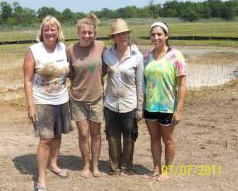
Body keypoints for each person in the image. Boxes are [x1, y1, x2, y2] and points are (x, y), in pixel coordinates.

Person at [23, 15, 72, 191]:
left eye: (53, 29)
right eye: (47, 29)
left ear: (58, 31)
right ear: (41, 32)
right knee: (45, 139)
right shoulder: (33, 51)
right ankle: (41, 178)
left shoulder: (62, 48)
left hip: (61, 99)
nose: (50, 32)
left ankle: (53, 164)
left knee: (57, 135)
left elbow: (67, 73)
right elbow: (27, 80)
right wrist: (30, 105)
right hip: (42, 101)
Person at [142, 22, 186, 181]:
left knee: (167, 139)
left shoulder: (176, 56)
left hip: (167, 107)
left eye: (159, 34)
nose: (156, 37)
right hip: (150, 107)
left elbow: (181, 84)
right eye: (153, 34)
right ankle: (155, 168)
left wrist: (179, 109)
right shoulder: (146, 57)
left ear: (166, 36)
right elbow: (144, 84)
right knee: (154, 138)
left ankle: (166, 170)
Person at [103, 19, 144, 175]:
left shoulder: (137, 56)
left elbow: (140, 84)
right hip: (111, 103)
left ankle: (126, 167)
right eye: (118, 34)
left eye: (124, 33)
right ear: (113, 37)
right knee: (112, 136)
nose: (122, 37)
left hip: (129, 104)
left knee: (129, 136)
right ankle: (114, 167)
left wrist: (140, 108)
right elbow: (99, 74)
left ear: (128, 34)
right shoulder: (107, 54)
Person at [67, 14, 106, 178]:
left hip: (96, 97)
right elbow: (69, 73)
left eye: (90, 32)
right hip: (77, 99)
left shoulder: (101, 46)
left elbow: (105, 68)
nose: (87, 36)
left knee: (96, 134)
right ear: (78, 33)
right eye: (84, 33)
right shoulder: (70, 50)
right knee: (83, 134)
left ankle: (95, 165)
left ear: (94, 32)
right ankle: (86, 165)